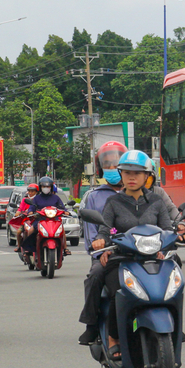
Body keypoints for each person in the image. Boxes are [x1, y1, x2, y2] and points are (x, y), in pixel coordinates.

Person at [81, 150, 185, 356]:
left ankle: (175, 324)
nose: (131, 177)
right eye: (127, 172)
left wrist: (179, 236)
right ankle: (109, 335)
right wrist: (101, 241)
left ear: (147, 176)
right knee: (113, 287)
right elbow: (105, 228)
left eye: (137, 173)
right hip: (121, 258)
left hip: (152, 257)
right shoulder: (113, 202)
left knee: (174, 282)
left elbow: (166, 229)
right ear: (121, 174)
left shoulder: (156, 201)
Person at [77, 142, 128, 345]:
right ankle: (91, 324)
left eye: (117, 163)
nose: (113, 167)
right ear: (100, 169)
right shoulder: (94, 196)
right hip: (107, 253)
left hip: (138, 251)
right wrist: (101, 250)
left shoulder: (141, 194)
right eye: (107, 163)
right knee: (96, 274)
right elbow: (92, 233)